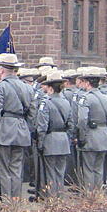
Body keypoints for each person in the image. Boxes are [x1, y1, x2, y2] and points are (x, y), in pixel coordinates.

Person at [0, 53, 36, 201]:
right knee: (16, 168)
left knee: (4, 168)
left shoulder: (0, 87)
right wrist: (27, 129)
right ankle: (15, 200)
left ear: (1, 70)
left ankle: (6, 202)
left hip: (5, 129)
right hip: (21, 128)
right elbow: (33, 113)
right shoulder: (27, 88)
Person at [35, 69, 73, 199]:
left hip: (50, 140)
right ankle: (60, 198)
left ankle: (52, 200)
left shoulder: (46, 102)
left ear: (50, 87)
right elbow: (71, 124)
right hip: (63, 140)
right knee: (60, 173)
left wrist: (40, 143)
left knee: (50, 172)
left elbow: (42, 126)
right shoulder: (67, 102)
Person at [75, 67, 107, 191]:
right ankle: (99, 195)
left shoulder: (85, 98)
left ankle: (90, 198)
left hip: (90, 137)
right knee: (99, 169)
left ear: (87, 83)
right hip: (104, 136)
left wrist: (81, 137)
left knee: (88, 169)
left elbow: (81, 120)